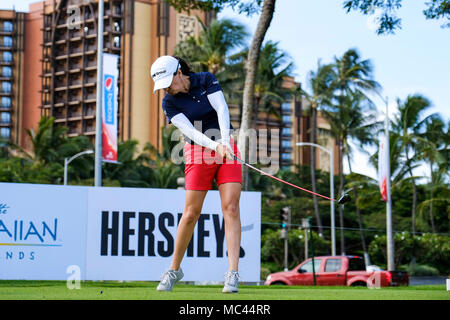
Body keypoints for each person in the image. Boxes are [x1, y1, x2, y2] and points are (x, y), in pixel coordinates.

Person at [150, 55, 243, 293]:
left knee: (231, 208)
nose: (167, 89)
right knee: (191, 213)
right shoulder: (169, 103)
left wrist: (224, 142)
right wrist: (215, 147)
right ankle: (174, 269)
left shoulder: (205, 80)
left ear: (179, 72)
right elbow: (190, 131)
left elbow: (221, 109)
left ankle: (232, 273)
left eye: (168, 82)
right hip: (198, 150)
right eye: (163, 86)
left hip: (225, 143)